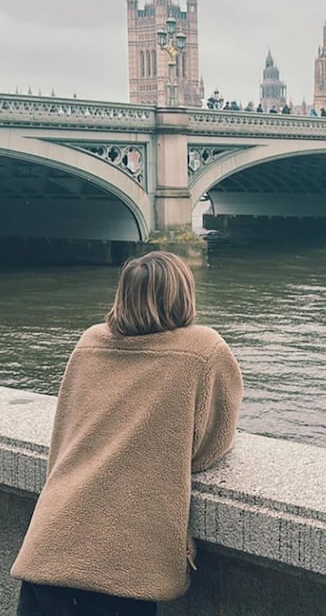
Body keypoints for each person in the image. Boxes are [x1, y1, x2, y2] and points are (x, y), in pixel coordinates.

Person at [12, 251, 243, 616]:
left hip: (50, 544)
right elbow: (210, 445)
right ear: (183, 294)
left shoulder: (90, 342)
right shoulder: (203, 348)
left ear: (123, 295)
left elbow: (66, 427)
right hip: (122, 564)